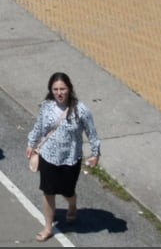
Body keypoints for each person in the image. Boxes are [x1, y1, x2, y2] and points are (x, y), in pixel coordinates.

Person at [27, 72, 100, 239]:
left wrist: (95, 154)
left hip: (70, 158)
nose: (59, 93)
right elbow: (39, 126)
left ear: (69, 89)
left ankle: (72, 203)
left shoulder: (81, 110)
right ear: (51, 90)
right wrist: (31, 143)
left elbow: (92, 133)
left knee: (67, 191)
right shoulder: (46, 106)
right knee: (48, 191)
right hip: (48, 156)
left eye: (62, 89)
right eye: (55, 89)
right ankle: (47, 227)